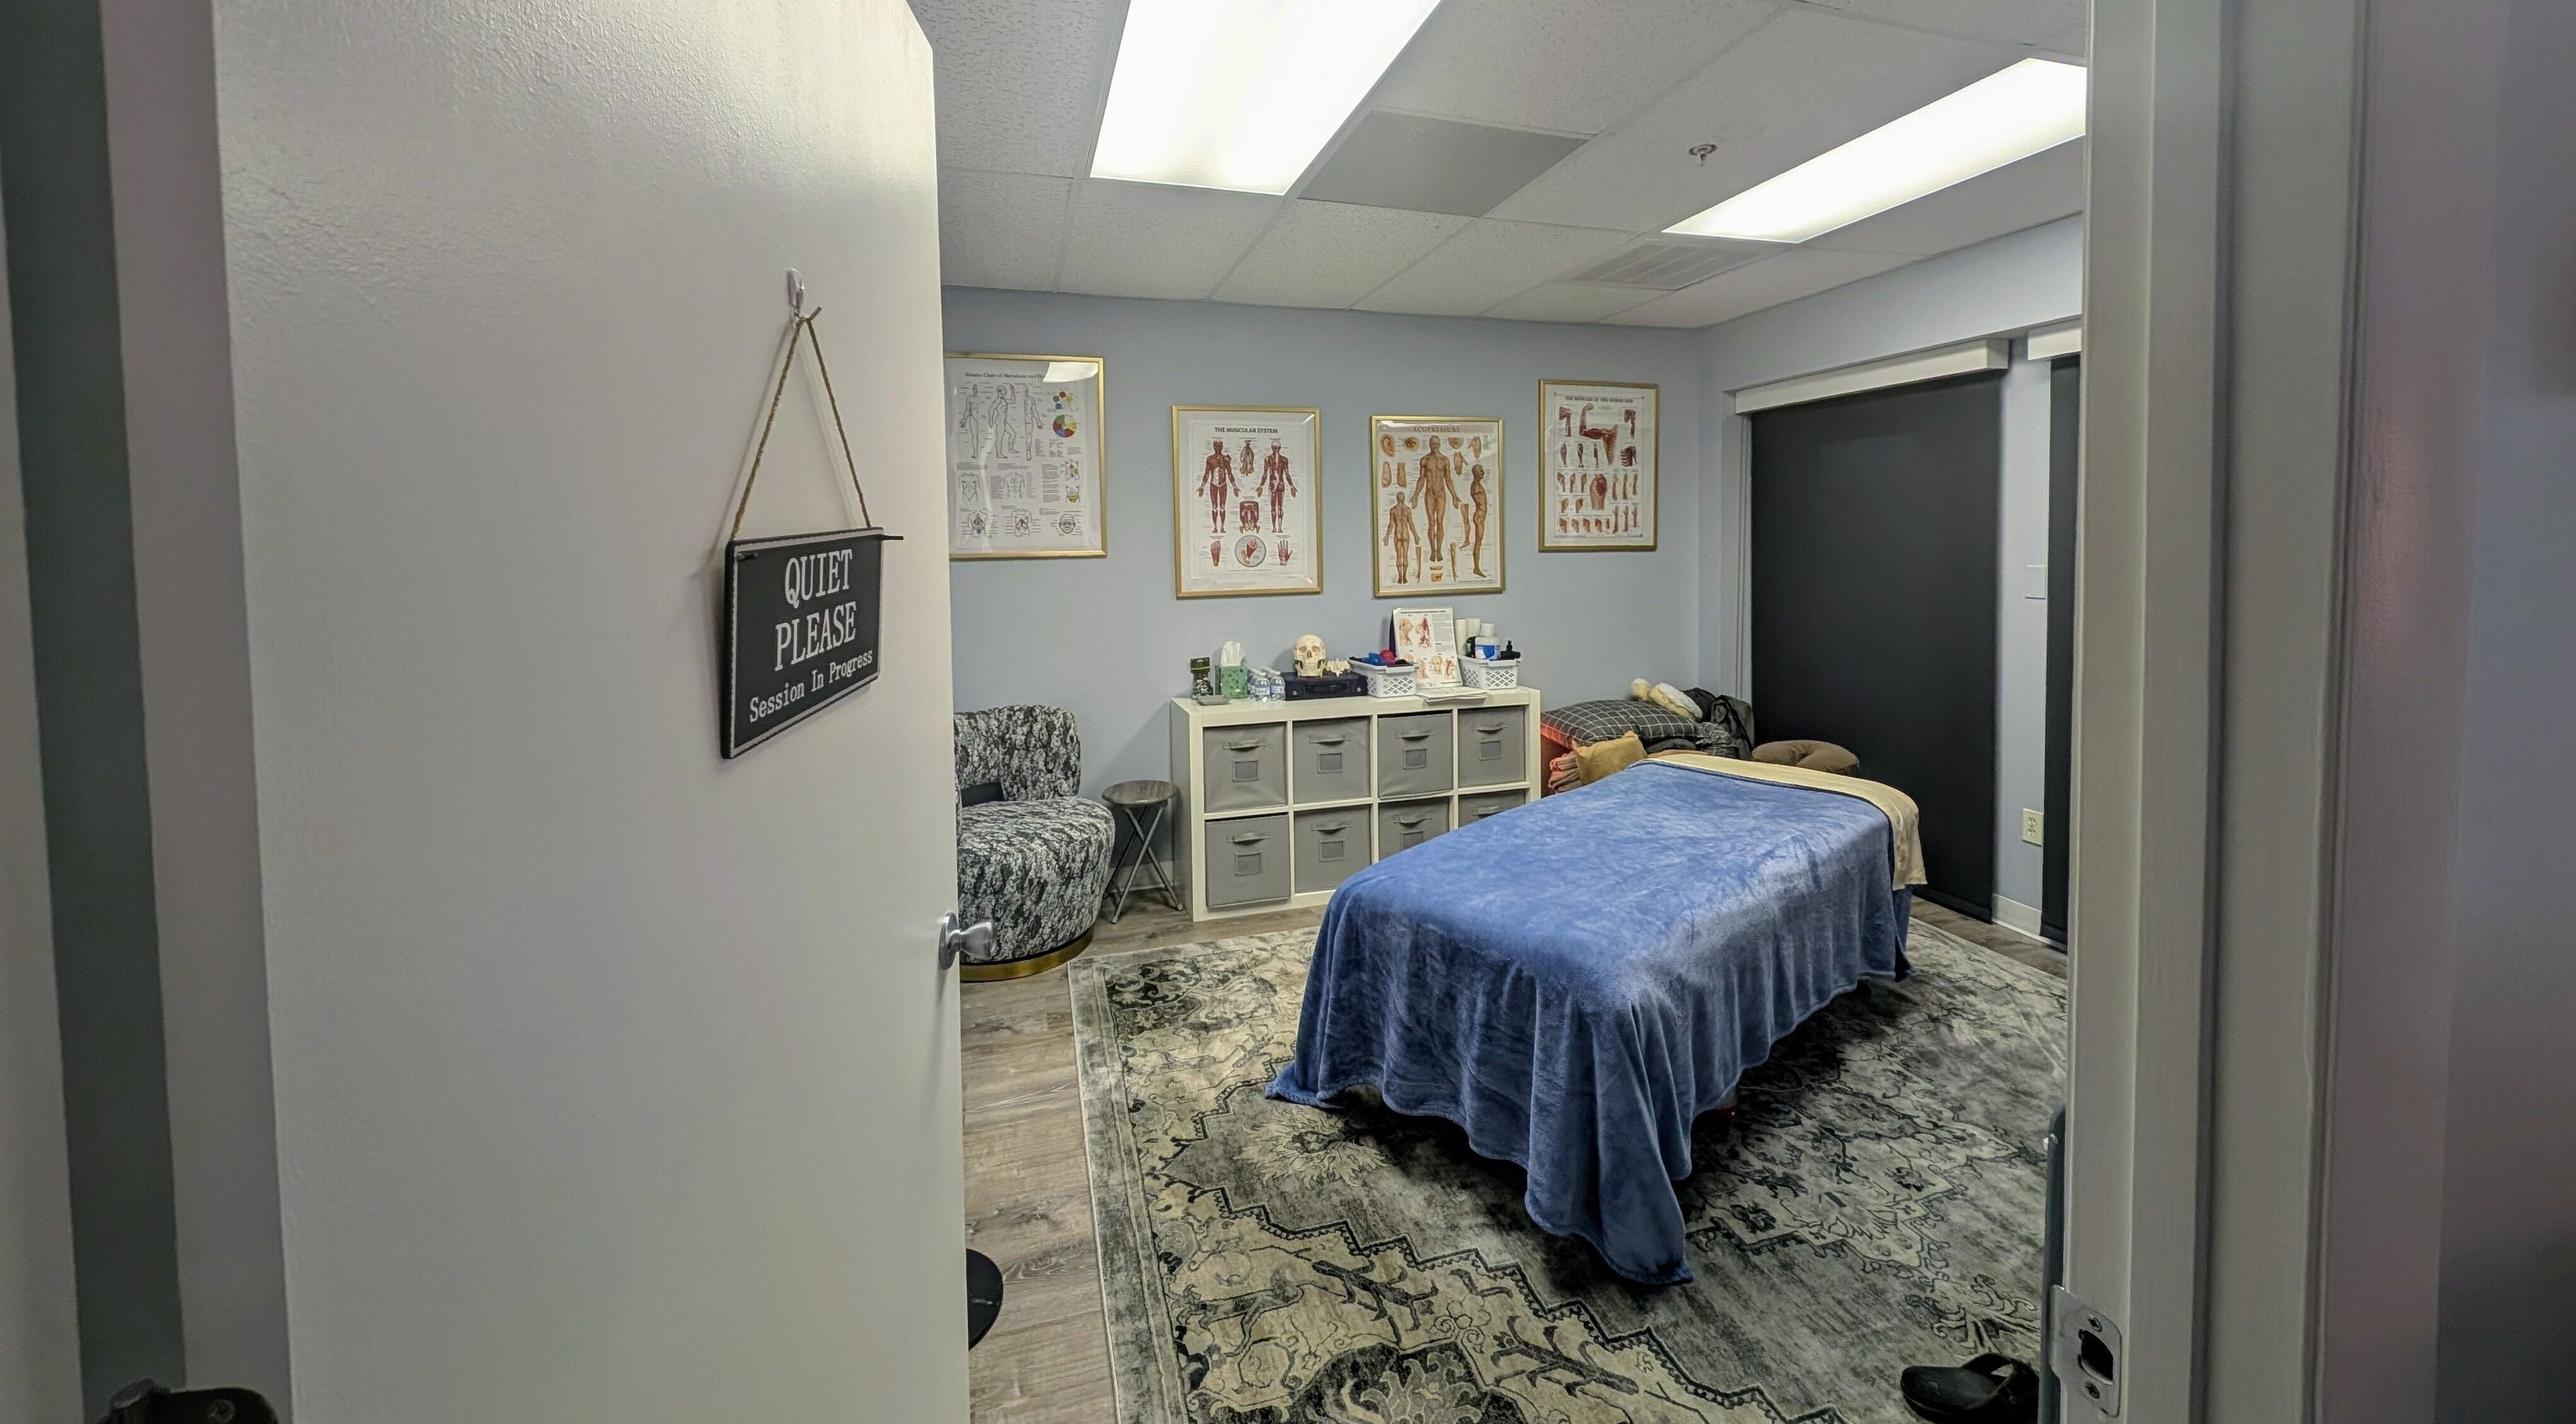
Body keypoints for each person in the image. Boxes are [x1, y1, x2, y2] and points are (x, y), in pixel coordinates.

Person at [1415, 437, 1456, 565]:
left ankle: (1439, 550)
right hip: (1429, 494)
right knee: (1431, 523)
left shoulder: (1444, 460)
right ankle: (1433, 550)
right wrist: (1416, 495)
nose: (1435, 446)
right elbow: (1421, 479)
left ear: (1440, 444)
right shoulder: (1425, 460)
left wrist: (1454, 495)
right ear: (1429, 444)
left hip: (1441, 494)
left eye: (1437, 444)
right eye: (1433, 444)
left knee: (1440, 522)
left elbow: (1448, 479)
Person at [1257, 439, 1297, 533]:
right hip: (1276, 485)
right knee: (1276, 508)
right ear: (1273, 448)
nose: (1276, 450)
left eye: (1277, 448)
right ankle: (1276, 528)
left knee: (1278, 507)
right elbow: (1266, 474)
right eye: (1276, 448)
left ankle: (1278, 527)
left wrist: (1292, 486)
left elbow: (1287, 475)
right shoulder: (1270, 459)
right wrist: (1261, 486)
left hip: (1277, 485)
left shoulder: (1279, 459)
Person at [1384, 490, 1420, 585]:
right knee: (1402, 556)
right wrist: (1387, 536)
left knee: (1401, 556)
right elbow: (1392, 524)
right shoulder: (1404, 510)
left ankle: (1402, 577)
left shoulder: (1395, 510)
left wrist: (1416, 536)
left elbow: (1409, 524)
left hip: (1399, 534)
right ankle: (1402, 577)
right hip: (1403, 534)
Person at [1198, 438, 1234, 533]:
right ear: (1214, 447)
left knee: (1222, 507)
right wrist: (1202, 486)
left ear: (1222, 447)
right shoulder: (1210, 459)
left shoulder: (1226, 459)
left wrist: (1235, 486)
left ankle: (1222, 527)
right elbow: (1207, 474)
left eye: (1220, 446)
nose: (1218, 448)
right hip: (1213, 485)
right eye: (1216, 446)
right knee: (1214, 507)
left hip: (1223, 485)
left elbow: (1230, 474)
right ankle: (1215, 527)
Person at [1466, 463, 1490, 577]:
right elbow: (1478, 500)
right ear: (1476, 473)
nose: (1483, 473)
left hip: (1481, 515)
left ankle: (1476, 567)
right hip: (1479, 516)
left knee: (1479, 543)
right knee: (1478, 543)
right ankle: (1476, 567)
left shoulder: (1478, 485)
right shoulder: (1476, 486)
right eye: (1481, 471)